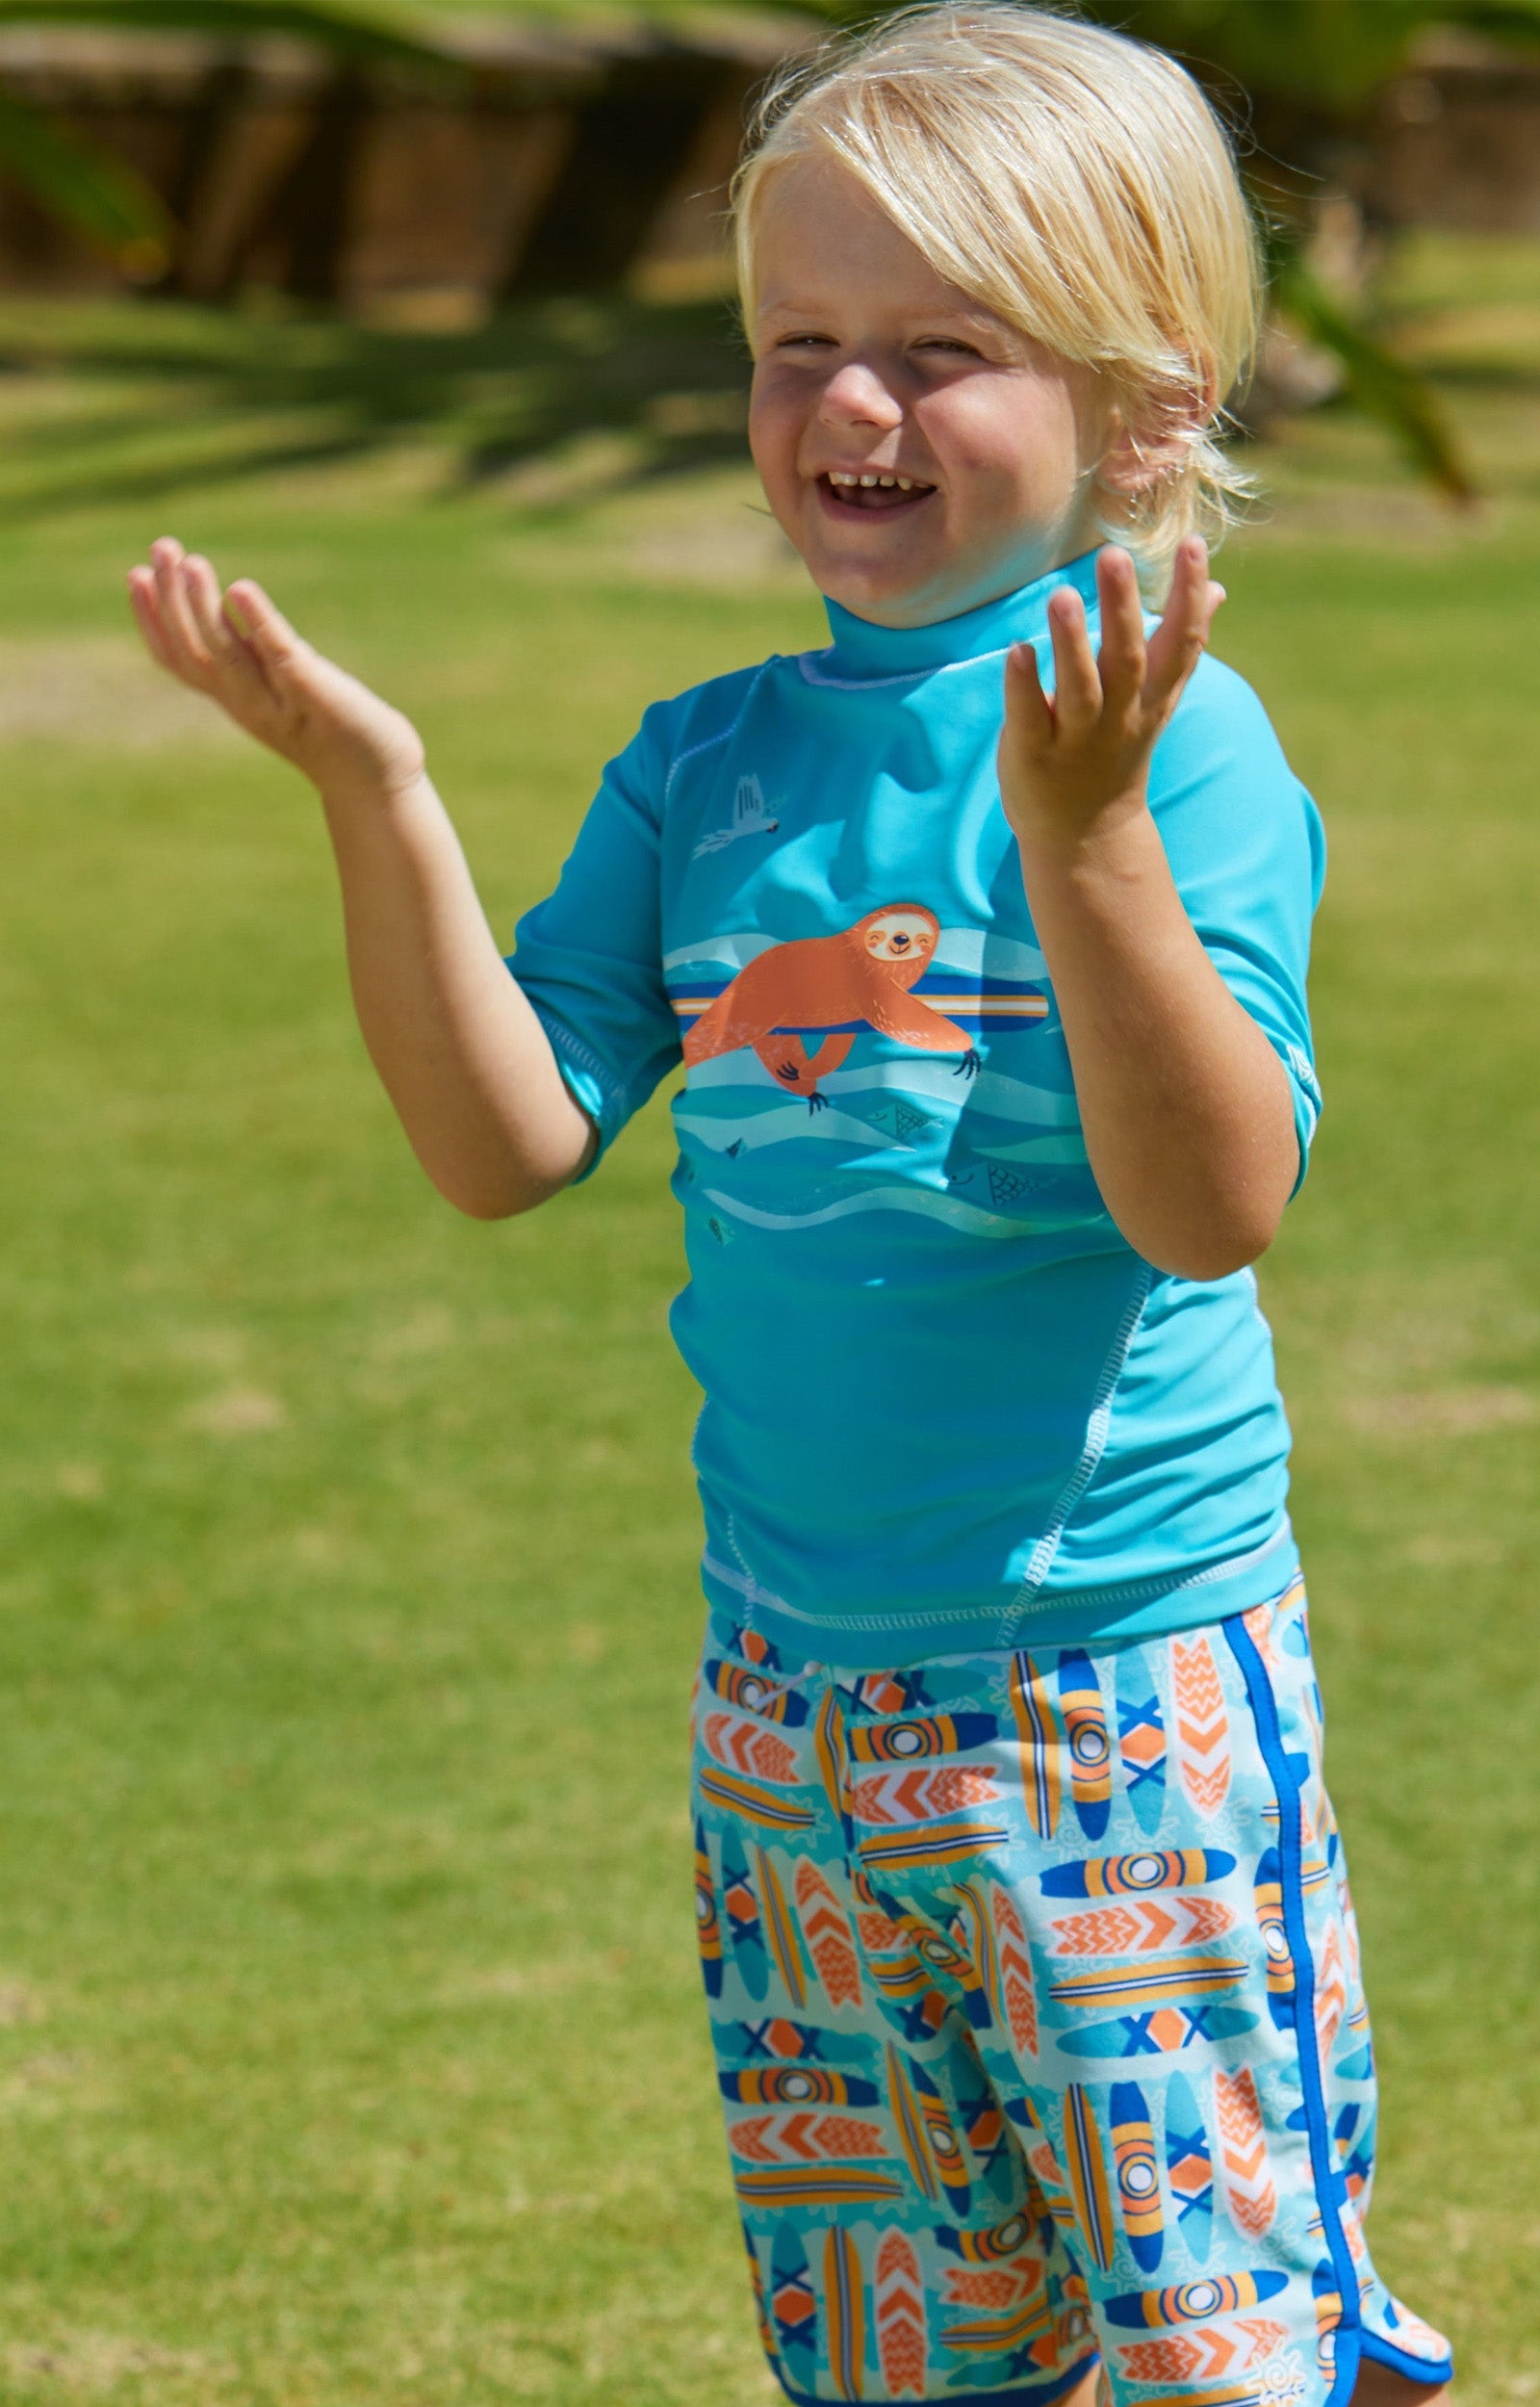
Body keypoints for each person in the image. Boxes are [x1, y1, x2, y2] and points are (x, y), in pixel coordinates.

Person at [125, 9, 1455, 2402]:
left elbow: (1211, 1202)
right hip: (786, 1709)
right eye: (796, 345)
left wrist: (1082, 841)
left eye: (938, 353)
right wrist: (376, 791)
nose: (847, 408)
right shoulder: (705, 763)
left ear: (1144, 412)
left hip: (1111, 1699)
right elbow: (504, 1136)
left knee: (1214, 2347)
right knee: (899, 2346)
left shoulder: (1181, 752)